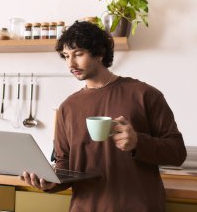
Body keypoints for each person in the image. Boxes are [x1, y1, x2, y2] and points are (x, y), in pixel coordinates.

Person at [21, 21, 187, 212]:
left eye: (78, 54)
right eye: (66, 56)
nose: (70, 64)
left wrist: (138, 142)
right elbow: (64, 164)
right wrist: (50, 183)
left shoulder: (144, 94)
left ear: (99, 53)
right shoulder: (67, 107)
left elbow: (178, 152)